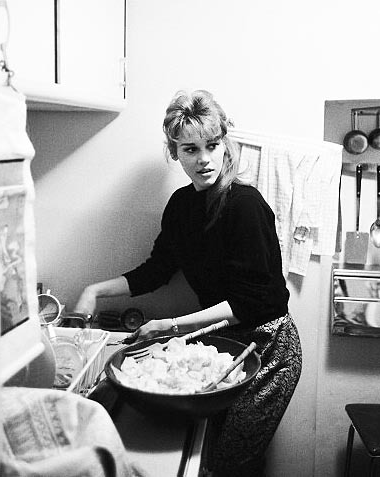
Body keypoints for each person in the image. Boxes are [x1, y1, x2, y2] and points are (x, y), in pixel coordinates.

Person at [74, 89, 302, 477]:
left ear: (225, 144)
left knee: (231, 460)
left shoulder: (244, 206)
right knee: (212, 450)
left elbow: (254, 300)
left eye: (212, 145)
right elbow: (157, 270)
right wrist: (94, 291)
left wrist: (170, 326)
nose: (204, 159)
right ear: (174, 152)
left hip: (268, 348)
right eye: (190, 149)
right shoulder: (181, 206)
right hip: (224, 343)